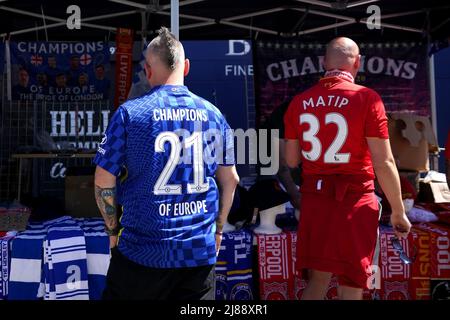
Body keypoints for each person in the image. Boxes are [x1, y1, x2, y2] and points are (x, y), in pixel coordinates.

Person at [93, 27, 239, 300]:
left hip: (142, 252)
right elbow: (230, 180)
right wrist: (218, 229)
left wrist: (112, 231)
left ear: (148, 70)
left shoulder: (129, 114)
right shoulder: (214, 114)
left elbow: (103, 178)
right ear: (186, 67)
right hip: (197, 253)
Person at [284, 37, 411, 300]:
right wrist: (398, 211)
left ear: (323, 63)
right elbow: (384, 161)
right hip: (355, 198)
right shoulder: (367, 98)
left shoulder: (299, 102)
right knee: (352, 281)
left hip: (316, 199)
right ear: (358, 62)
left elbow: (292, 160)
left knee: (317, 279)